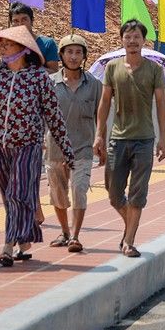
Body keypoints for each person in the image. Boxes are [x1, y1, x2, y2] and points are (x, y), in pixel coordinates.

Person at [0, 26, 74, 266]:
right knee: (10, 198)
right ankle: (24, 240)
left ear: (22, 49)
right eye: (1, 44)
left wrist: (68, 151)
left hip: (28, 147)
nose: (2, 48)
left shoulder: (39, 78)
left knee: (17, 193)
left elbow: (54, 116)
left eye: (7, 44)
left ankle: (8, 245)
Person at [93, 19, 165, 258]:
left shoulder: (154, 69)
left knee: (138, 193)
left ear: (143, 40)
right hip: (118, 139)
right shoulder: (112, 68)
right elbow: (104, 102)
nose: (133, 41)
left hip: (144, 140)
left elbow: (160, 103)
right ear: (122, 40)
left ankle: (129, 241)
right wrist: (99, 136)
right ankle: (130, 226)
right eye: (128, 36)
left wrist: (163, 138)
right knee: (113, 193)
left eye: (137, 37)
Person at [46, 35, 102, 252]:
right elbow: (42, 114)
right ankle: (65, 231)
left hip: (83, 148)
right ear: (61, 55)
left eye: (78, 52)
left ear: (84, 56)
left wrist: (101, 141)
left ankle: (75, 236)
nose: (73, 56)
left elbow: (101, 115)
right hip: (55, 147)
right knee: (58, 193)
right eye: (69, 52)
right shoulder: (50, 83)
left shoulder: (94, 85)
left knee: (79, 190)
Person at [9, 2, 60, 74]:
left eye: (24, 19)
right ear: (11, 24)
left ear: (32, 20)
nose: (20, 24)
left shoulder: (47, 44)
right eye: (16, 21)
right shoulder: (8, 46)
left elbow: (54, 73)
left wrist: (33, 68)